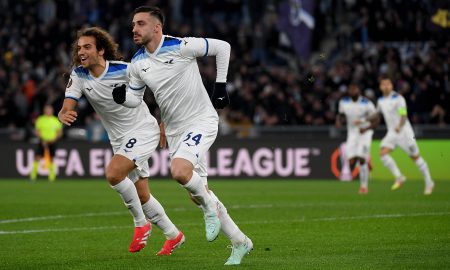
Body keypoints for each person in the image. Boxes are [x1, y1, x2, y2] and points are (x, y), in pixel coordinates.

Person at [112, 6, 252, 265]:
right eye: (133, 24)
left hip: (200, 120)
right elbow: (134, 99)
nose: (134, 29)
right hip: (175, 131)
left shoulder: (181, 46)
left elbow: (223, 47)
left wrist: (220, 84)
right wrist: (123, 98)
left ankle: (210, 210)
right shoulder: (137, 63)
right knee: (197, 191)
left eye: (140, 23)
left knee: (179, 171)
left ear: (157, 27)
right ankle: (240, 241)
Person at [58, 27, 184, 255]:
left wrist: (165, 121)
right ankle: (174, 235)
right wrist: (62, 113)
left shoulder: (126, 70)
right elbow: (67, 105)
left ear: (101, 50)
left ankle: (140, 224)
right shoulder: (79, 75)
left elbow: (162, 89)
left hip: (143, 130)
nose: (81, 52)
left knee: (114, 174)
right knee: (142, 195)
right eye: (79, 48)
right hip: (119, 139)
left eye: (87, 47)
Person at [362, 76, 434, 195]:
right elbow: (376, 114)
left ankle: (429, 182)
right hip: (392, 133)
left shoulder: (398, 98)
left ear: (392, 85)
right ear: (380, 87)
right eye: (384, 84)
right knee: (382, 153)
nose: (386, 86)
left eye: (388, 84)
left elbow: (403, 114)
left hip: (404, 132)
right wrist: (363, 119)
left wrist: (400, 126)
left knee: (415, 157)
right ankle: (399, 177)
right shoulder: (381, 100)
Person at [336, 84, 376, 194]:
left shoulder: (367, 103)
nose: (353, 91)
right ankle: (367, 163)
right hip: (352, 133)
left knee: (361, 158)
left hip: (365, 133)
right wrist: (339, 121)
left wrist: (366, 127)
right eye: (351, 89)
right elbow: (341, 114)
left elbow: (376, 118)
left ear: (359, 90)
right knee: (351, 162)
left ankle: (364, 187)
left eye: (355, 89)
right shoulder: (343, 102)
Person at [30, 104, 63, 182]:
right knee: (37, 157)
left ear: (52, 111)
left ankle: (51, 177)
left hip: (52, 142)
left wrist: (54, 139)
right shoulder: (40, 119)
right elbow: (37, 131)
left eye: (50, 110)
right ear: (44, 111)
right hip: (43, 142)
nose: (48, 111)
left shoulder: (56, 120)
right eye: (47, 109)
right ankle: (33, 176)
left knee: (51, 158)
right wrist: (42, 140)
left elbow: (59, 132)